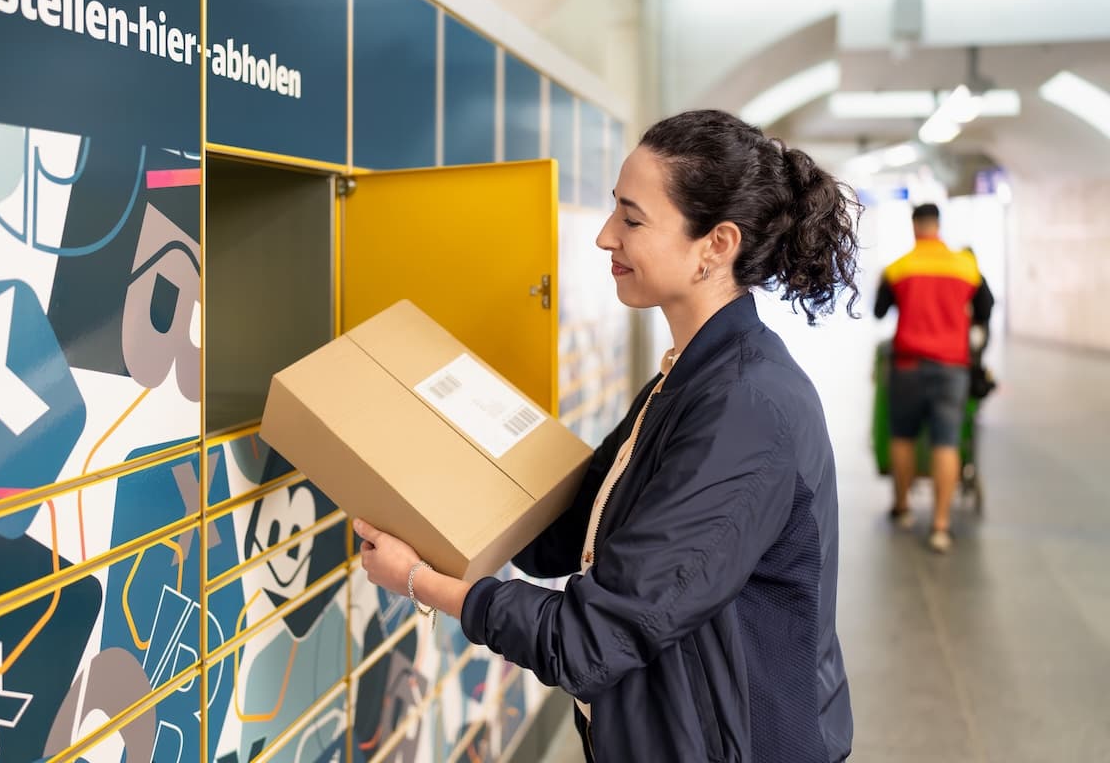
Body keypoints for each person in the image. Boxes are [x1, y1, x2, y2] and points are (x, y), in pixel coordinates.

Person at [355, 110, 856, 762]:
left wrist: (420, 580)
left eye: (632, 218)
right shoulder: (686, 379)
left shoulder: (746, 409)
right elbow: (561, 537)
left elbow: (588, 641)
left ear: (716, 245)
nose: (602, 237)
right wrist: (418, 472)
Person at [874, 204, 994, 553]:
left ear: (915, 227)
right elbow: (985, 310)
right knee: (947, 443)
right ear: (938, 226)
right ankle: (941, 525)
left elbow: (880, 310)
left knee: (902, 437)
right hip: (952, 367)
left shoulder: (899, 267)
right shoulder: (966, 267)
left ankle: (903, 509)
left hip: (908, 365)